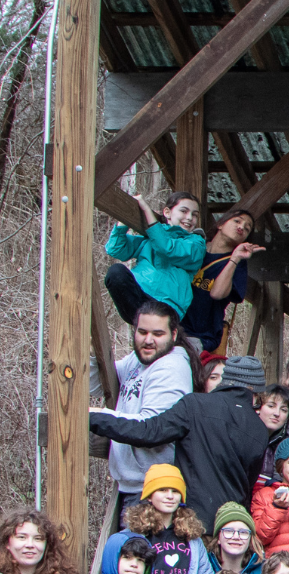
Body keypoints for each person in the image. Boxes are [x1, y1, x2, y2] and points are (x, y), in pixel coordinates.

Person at [89, 355, 273, 524]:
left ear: (226, 382)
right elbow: (248, 484)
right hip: (228, 528)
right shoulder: (259, 429)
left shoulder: (195, 405)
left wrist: (95, 418)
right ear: (255, 391)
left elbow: (147, 432)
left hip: (189, 521)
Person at [103, 304, 195, 524]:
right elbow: (98, 381)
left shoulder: (171, 367)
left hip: (152, 491)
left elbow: (148, 428)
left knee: (139, 555)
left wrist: (94, 416)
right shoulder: (138, 360)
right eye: (142, 332)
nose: (148, 340)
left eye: (158, 334)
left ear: (173, 335)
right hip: (131, 485)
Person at [121, 464, 213, 574]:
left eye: (175, 491)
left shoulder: (192, 538)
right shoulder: (134, 535)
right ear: (149, 496)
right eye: (162, 490)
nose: (170, 496)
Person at [104, 190, 207, 326]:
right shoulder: (150, 238)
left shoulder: (196, 244)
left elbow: (167, 248)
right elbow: (115, 248)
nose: (189, 218)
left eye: (194, 215)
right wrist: (126, 217)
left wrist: (146, 210)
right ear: (167, 212)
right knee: (116, 272)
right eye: (184, 211)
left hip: (167, 307)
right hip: (138, 298)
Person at [180, 208, 259, 356]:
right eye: (237, 221)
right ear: (220, 224)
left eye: (247, 228)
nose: (241, 227)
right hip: (170, 326)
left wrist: (235, 258)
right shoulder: (195, 246)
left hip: (200, 336)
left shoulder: (237, 263)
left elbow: (217, 294)